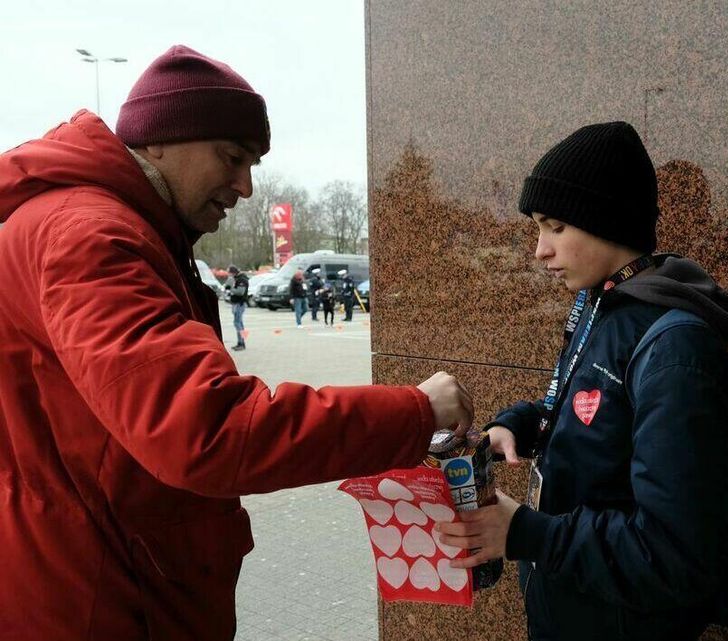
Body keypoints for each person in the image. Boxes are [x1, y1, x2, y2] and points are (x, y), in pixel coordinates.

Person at [0, 45, 474, 641]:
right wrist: (416, 410)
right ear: (158, 140)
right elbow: (205, 430)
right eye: (232, 157)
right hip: (105, 598)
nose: (246, 186)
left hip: (97, 575)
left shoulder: (101, 225)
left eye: (253, 163)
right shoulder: (91, 236)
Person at [436, 122, 728, 641]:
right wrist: (518, 425)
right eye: (538, 228)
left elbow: (675, 554)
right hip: (570, 608)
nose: (539, 250)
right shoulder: (602, 305)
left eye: (556, 227)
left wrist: (528, 534)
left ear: (609, 221)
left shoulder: (676, 349)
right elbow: (586, 411)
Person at [228, 264, 249, 350]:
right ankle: (242, 342)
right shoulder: (238, 279)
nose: (229, 275)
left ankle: (241, 343)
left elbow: (240, 292)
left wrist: (230, 289)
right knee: (240, 323)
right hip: (237, 303)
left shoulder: (241, 280)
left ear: (233, 272)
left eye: (229, 273)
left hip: (239, 304)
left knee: (237, 323)